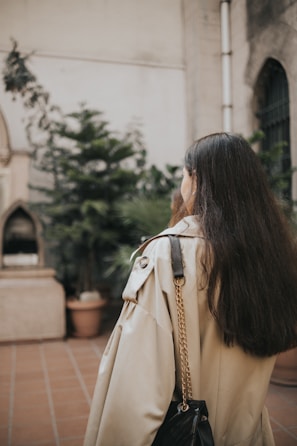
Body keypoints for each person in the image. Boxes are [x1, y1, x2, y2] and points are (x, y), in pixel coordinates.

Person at [84, 132, 297, 446]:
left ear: (196, 181)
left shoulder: (167, 256)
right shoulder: (272, 255)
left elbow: (135, 390)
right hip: (250, 434)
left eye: (183, 174)